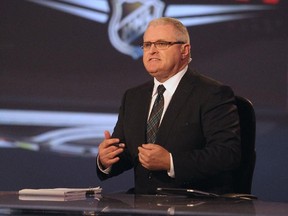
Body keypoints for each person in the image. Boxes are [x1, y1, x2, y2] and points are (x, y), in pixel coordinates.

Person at [96, 17, 241, 195]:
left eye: (162, 43)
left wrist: (170, 162)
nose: (152, 51)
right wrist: (106, 160)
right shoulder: (133, 97)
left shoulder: (212, 94)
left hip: (195, 204)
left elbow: (227, 154)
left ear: (184, 50)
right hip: (142, 205)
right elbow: (126, 155)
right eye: (147, 45)